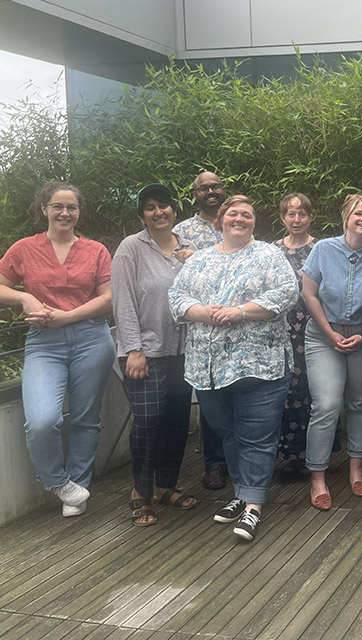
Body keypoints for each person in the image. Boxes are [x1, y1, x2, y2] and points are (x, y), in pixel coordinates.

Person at [169, 195, 298, 541]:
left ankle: (253, 506)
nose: (239, 218)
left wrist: (239, 312)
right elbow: (177, 298)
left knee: (257, 437)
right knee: (228, 433)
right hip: (207, 369)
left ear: (254, 223)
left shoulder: (269, 255)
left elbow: (287, 293)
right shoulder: (200, 260)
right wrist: (206, 313)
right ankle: (241, 495)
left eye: (247, 215)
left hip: (261, 366)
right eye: (232, 214)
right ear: (220, 221)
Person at [0, 181, 114, 518]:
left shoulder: (96, 250)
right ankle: (59, 482)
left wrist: (67, 316)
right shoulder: (24, 248)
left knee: (85, 418)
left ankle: (77, 487)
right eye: (57, 206)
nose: (65, 213)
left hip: (92, 338)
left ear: (79, 212)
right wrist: (23, 297)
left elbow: (108, 298)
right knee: (41, 420)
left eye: (71, 207)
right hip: (44, 343)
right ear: (44, 209)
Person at [113, 184, 197, 527]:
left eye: (164, 205)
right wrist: (134, 349)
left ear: (174, 211)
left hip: (183, 351)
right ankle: (140, 492)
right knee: (147, 423)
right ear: (141, 215)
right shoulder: (130, 248)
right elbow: (122, 302)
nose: (158, 212)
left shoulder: (189, 249)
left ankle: (165, 486)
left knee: (177, 420)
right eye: (150, 207)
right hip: (144, 352)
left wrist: (196, 265)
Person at [302, 194, 362, 510]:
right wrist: (330, 332)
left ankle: (355, 469)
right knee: (326, 404)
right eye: (359, 214)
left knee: (359, 402)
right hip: (323, 336)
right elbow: (308, 293)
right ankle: (317, 475)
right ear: (346, 217)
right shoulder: (324, 249)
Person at [172, 170, 229, 490]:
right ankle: (214, 463)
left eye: (215, 186)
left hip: (238, 324)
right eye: (203, 188)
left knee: (235, 396)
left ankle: (237, 457)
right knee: (210, 398)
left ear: (223, 190)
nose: (210, 191)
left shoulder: (238, 221)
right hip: (203, 328)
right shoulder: (182, 231)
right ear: (193, 194)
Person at [273, 193, 317, 479]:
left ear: (310, 217)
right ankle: (288, 455)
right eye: (291, 214)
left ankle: (313, 454)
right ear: (282, 218)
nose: (297, 219)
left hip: (314, 328)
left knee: (312, 391)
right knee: (286, 391)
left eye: (302, 214)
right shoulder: (271, 250)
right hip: (280, 330)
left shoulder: (321, 249)